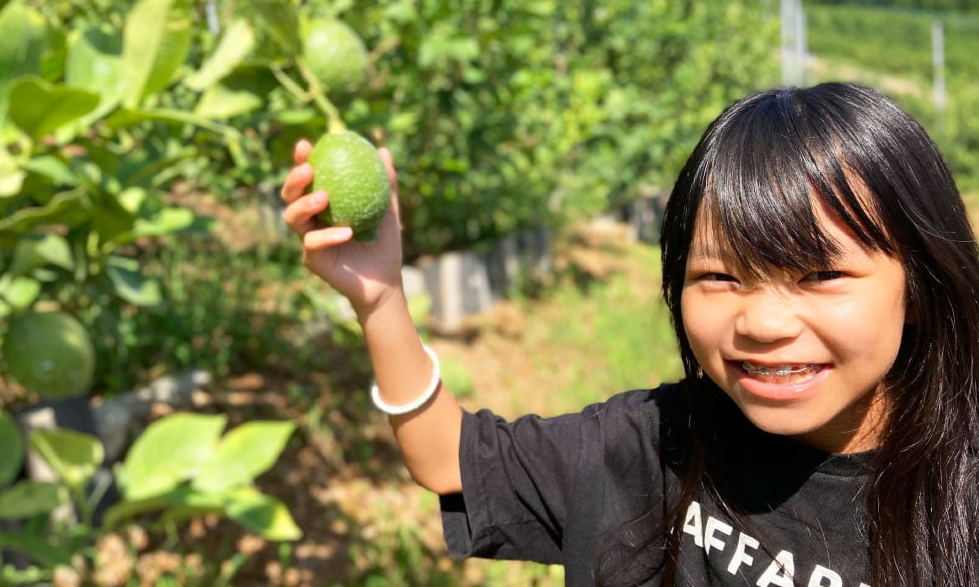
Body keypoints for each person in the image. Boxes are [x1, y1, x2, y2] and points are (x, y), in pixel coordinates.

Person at [281, 82, 979, 586]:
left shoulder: (959, 497)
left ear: (918, 284)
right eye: (722, 277)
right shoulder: (654, 447)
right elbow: (452, 462)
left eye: (820, 276)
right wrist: (379, 298)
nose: (763, 324)